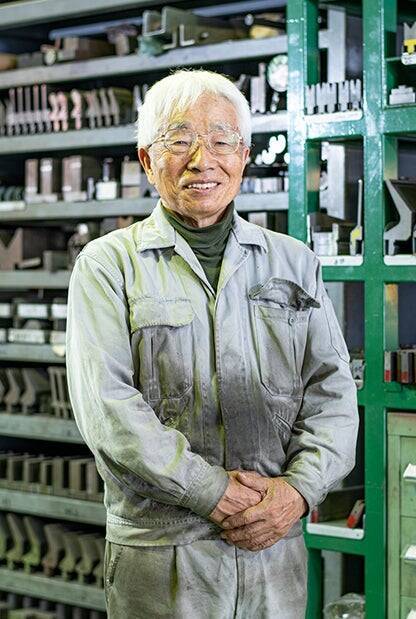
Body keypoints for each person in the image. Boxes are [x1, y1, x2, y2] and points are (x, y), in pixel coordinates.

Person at [66, 69, 358, 619]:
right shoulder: (108, 266)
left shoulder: (294, 262)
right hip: (163, 554)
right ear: (148, 160)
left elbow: (333, 395)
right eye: (180, 142)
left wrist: (297, 492)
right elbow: (108, 410)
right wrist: (212, 491)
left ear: (244, 156)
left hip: (274, 547)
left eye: (222, 142)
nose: (203, 161)